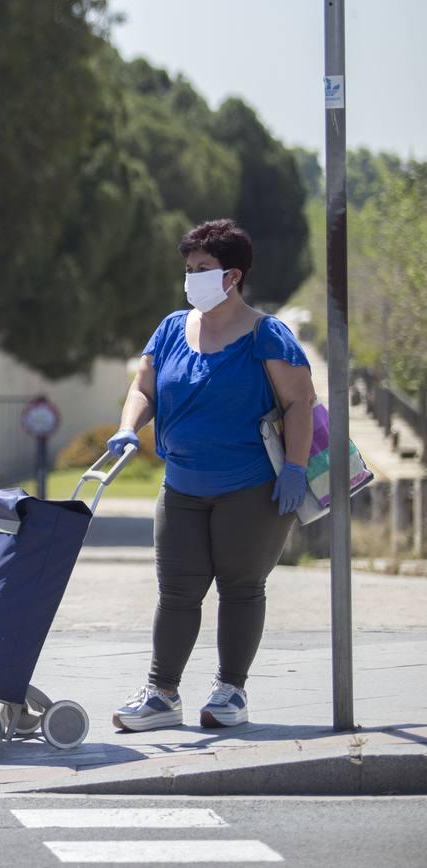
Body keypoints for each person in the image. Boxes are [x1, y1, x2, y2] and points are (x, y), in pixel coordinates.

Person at [106, 219, 316, 731]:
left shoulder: (268, 336)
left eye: (202, 269)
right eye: (188, 269)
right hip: (181, 487)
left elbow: (299, 402)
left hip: (250, 488)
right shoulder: (171, 328)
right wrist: (128, 427)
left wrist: (295, 468)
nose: (191, 279)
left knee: (241, 588)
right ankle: (161, 694)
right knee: (176, 591)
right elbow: (144, 388)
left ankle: (230, 692)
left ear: (232, 276)